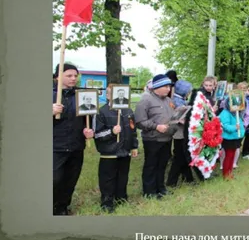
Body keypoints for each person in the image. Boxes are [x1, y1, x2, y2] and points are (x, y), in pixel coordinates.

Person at [52, 63, 94, 215]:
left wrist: (89, 131)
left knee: (70, 179)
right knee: (54, 179)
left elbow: (88, 119)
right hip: (55, 146)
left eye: (75, 76)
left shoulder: (82, 96)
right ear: (58, 76)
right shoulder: (49, 95)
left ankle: (62, 207)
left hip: (76, 145)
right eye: (69, 75)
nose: (73, 79)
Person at [93, 85, 139, 213]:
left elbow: (133, 129)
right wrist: (112, 132)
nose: (118, 96)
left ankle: (121, 198)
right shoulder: (101, 112)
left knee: (123, 176)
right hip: (109, 152)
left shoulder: (128, 111)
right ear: (107, 96)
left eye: (121, 93)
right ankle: (107, 202)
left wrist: (134, 146)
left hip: (125, 151)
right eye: (114, 94)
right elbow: (97, 134)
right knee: (108, 178)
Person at [134, 74, 177, 199]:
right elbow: (139, 121)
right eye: (166, 86)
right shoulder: (145, 100)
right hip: (153, 139)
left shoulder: (168, 100)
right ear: (157, 86)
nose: (168, 89)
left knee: (162, 164)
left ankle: (161, 188)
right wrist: (156, 126)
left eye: (169, 86)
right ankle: (149, 192)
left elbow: (172, 115)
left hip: (167, 138)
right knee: (151, 165)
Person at [166, 79, 195, 187]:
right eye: (188, 91)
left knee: (184, 156)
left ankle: (188, 178)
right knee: (179, 158)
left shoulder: (180, 99)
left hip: (182, 133)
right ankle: (171, 182)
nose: (189, 93)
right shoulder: (177, 101)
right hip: (179, 133)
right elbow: (175, 117)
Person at [218, 99, 245, 179]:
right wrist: (234, 127)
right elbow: (225, 125)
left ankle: (229, 173)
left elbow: (239, 122)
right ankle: (226, 174)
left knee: (232, 155)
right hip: (228, 138)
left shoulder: (235, 113)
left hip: (235, 137)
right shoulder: (225, 113)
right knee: (229, 155)